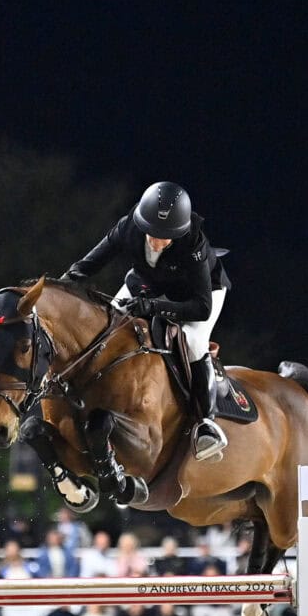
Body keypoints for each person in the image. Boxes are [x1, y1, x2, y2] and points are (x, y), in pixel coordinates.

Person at [64, 180, 233, 462]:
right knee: (109, 327)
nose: (156, 240)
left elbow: (200, 308)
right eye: (151, 233)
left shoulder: (193, 244)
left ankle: (207, 424)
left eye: (165, 236)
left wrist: (153, 307)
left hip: (199, 295)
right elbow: (89, 265)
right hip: (149, 284)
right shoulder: (128, 227)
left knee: (192, 343)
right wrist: (61, 285)